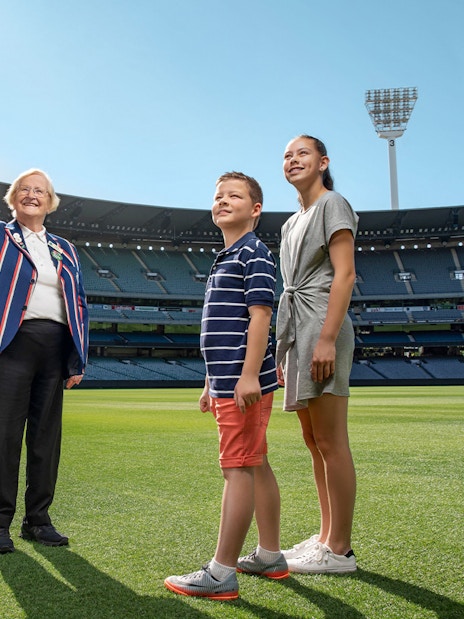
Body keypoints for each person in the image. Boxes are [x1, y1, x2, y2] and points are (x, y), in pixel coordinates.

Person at [164, 172, 286, 600]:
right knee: (255, 463)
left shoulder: (254, 252)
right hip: (227, 378)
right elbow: (223, 329)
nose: (222, 201)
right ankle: (270, 554)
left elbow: (260, 317)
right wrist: (209, 382)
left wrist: (249, 374)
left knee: (236, 468)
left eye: (234, 195)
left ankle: (220, 573)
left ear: (255, 209)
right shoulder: (226, 255)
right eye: (217, 196)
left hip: (243, 381)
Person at [276, 135, 358, 574]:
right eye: (287, 156)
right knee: (313, 443)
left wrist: (326, 338)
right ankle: (325, 536)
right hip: (299, 330)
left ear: (323, 162)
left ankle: (340, 550)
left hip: (323, 324)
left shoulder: (334, 204)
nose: (292, 160)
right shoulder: (290, 223)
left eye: (302, 153)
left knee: (331, 441)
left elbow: (345, 274)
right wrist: (284, 349)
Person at [0, 169, 89, 553]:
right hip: (12, 344)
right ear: (13, 198)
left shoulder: (65, 248)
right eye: (24, 189)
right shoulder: (2, 237)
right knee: (3, 437)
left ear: (50, 201)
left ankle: (38, 520)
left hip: (54, 347)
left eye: (40, 191)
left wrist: (77, 358)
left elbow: (79, 302)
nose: (32, 195)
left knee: (45, 440)